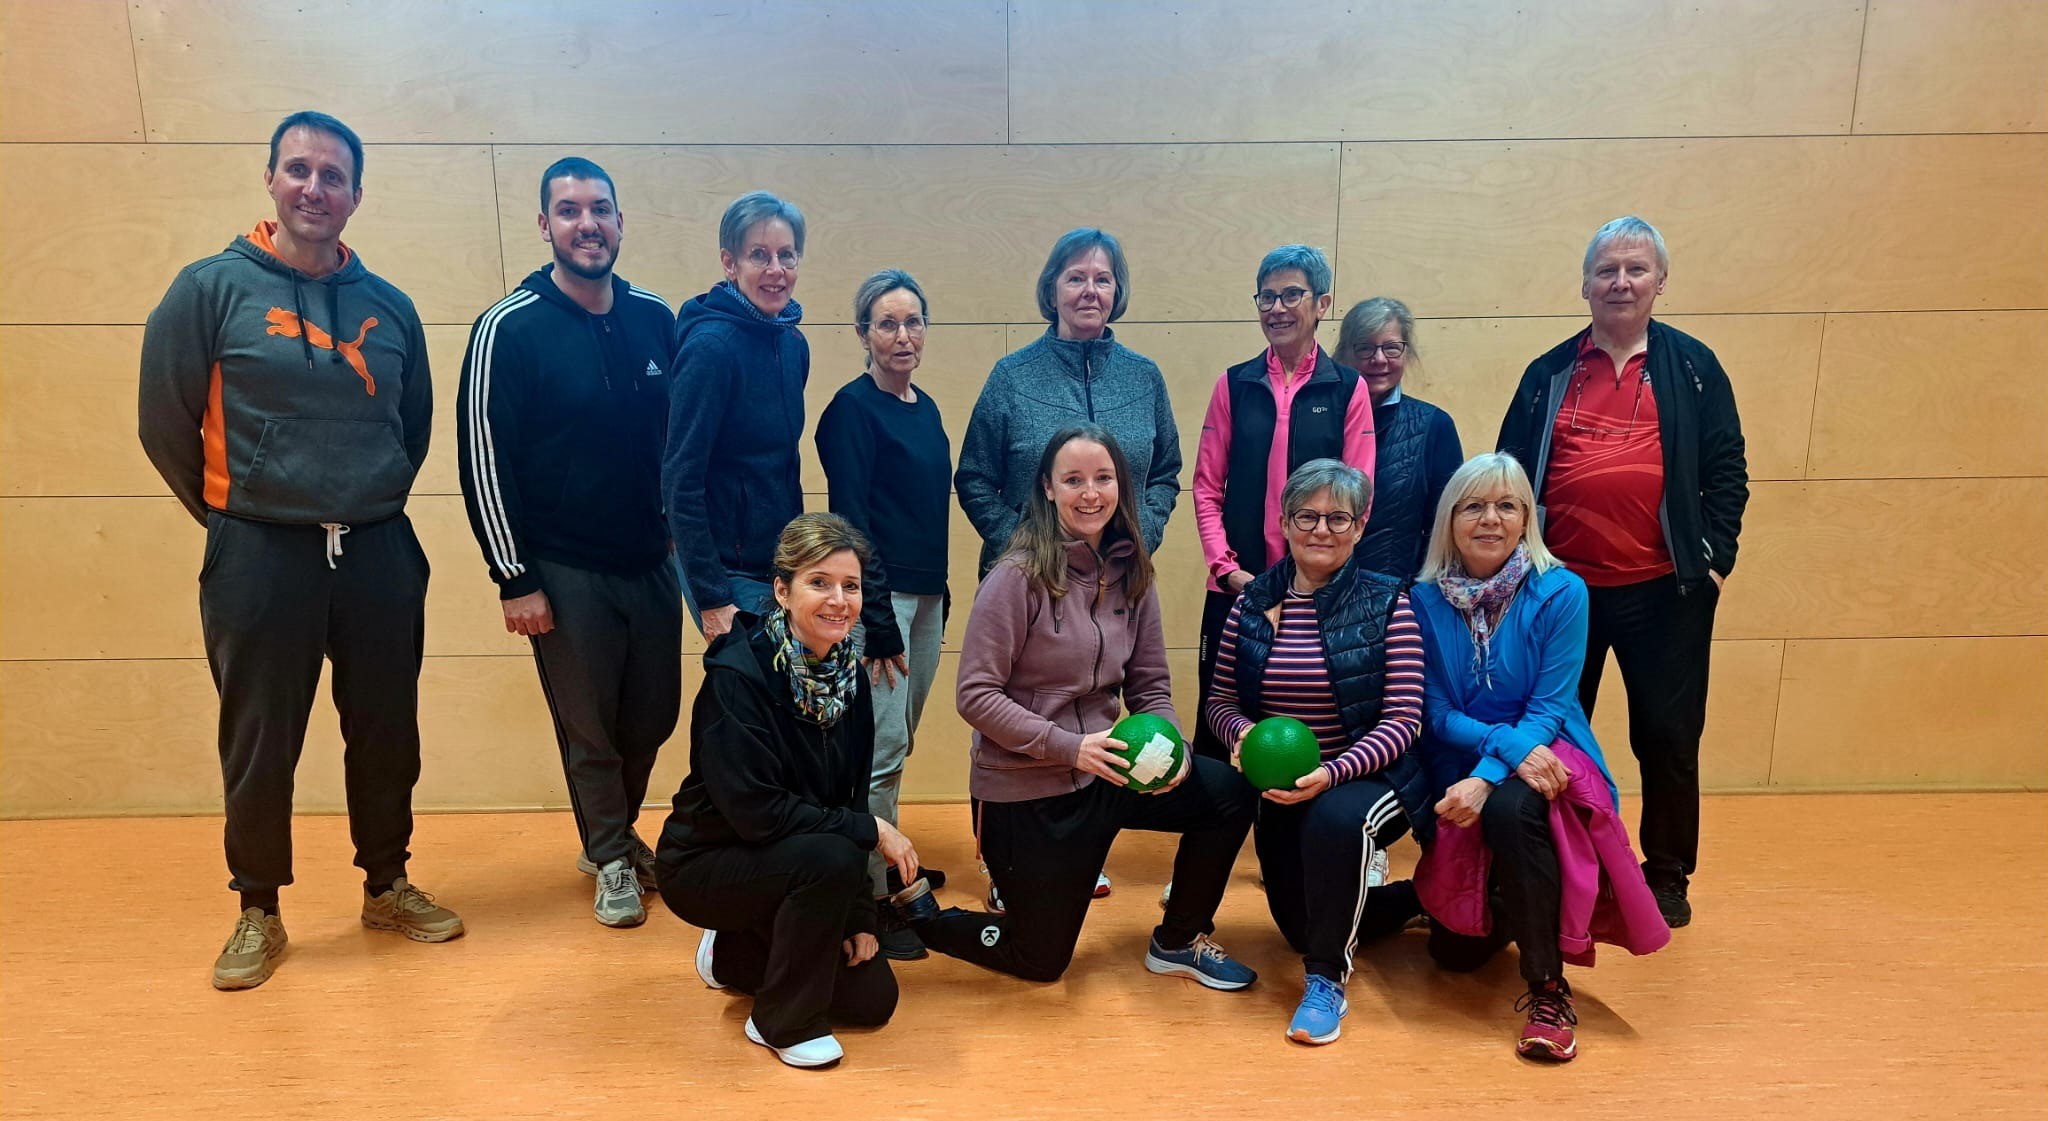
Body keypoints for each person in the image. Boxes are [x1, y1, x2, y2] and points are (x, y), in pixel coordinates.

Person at [139, 110, 461, 991]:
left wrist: (363, 491)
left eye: (334, 175)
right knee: (260, 738)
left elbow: (414, 426)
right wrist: (239, 513)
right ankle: (259, 907)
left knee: (388, 728)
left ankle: (387, 883)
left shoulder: (388, 308)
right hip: (258, 553)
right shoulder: (208, 289)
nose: (315, 188)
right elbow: (163, 422)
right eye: (299, 170)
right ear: (271, 179)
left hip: (378, 549)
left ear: (357, 194)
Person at [890, 426, 1258, 992]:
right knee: (1039, 960)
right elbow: (976, 695)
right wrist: (1069, 747)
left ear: (1120, 486)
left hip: (1106, 771)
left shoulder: (1133, 572)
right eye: (1074, 479)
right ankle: (918, 917)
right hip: (1026, 791)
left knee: (1227, 794)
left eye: (1103, 478)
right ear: (1047, 488)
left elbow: (1152, 684)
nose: (1091, 493)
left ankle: (1179, 940)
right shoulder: (1014, 577)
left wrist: (1172, 750)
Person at [1495, 216, 1748, 927]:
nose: (1621, 281)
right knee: (1548, 735)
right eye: (1607, 269)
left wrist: (1714, 559)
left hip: (1664, 591)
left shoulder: (1694, 367)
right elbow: (1508, 473)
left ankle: (1666, 875)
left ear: (1660, 283)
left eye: (1636, 269)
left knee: (1667, 738)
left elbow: (1728, 470)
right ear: (1584, 284)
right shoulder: (1548, 373)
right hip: (1560, 593)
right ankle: (1546, 867)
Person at [457, 157, 680, 928]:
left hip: (651, 561)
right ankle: (613, 855)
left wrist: (681, 534)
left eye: (601, 208)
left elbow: (676, 441)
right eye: (569, 209)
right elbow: (484, 457)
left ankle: (608, 832)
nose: (588, 222)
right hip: (562, 567)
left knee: (651, 716)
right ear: (544, 225)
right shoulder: (507, 328)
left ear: (620, 221)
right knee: (589, 724)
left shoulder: (656, 318)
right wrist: (513, 575)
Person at [1410, 453, 1669, 1062]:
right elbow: (1438, 711)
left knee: (1507, 812)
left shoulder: (1562, 591)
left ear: (1527, 516)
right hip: (1467, 755)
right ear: (1450, 518)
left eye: (1507, 505)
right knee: (1454, 957)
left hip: (1552, 750)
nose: (1491, 519)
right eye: (1474, 505)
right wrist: (1493, 762)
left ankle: (1548, 987)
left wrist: (1491, 779)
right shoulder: (1422, 601)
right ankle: (1456, 901)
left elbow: (1550, 708)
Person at [955, 227, 1182, 899]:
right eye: (1076, 277)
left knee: (1096, 701)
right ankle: (1006, 857)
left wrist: (1142, 535)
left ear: (1118, 292)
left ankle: (1079, 838)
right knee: (1017, 703)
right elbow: (974, 476)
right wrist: (1024, 554)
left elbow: (1165, 471)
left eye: (1103, 278)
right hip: (1031, 581)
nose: (1090, 289)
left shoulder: (1144, 378)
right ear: (1051, 287)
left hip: (1113, 574)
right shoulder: (1012, 376)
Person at [653, 514, 920, 1070]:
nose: (839, 600)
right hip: (709, 861)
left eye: (851, 586)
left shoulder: (848, 676)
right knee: (829, 851)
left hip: (793, 852)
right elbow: (757, 814)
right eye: (819, 583)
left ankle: (732, 955)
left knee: (871, 1001)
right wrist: (872, 831)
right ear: (782, 590)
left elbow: (847, 802)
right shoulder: (737, 675)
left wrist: (859, 920)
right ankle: (780, 1022)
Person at [1204, 459, 1435, 1046]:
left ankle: (1325, 984)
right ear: (1284, 522)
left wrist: (1330, 773)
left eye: (1339, 518)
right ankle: (1417, 897)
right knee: (1300, 927)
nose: (1322, 529)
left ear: (1360, 527)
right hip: (1281, 783)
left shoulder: (1389, 602)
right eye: (1307, 515)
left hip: (1372, 778)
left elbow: (1404, 720)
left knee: (1335, 824)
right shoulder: (1252, 603)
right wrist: (1245, 742)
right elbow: (1222, 701)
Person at [1190, 244, 1375, 764]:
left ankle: (1308, 831)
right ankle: (1215, 832)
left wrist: (1319, 575)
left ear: (1322, 304)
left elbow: (1360, 494)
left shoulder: (1347, 387)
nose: (1277, 308)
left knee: (1316, 720)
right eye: (1267, 297)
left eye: (1291, 294)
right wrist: (1226, 570)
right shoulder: (1234, 384)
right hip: (1236, 584)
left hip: (1318, 589)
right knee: (1220, 717)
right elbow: (1206, 488)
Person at [815, 268, 952, 959]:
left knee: (898, 746)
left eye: (913, 321)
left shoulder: (924, 408)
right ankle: (875, 896)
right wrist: (876, 618)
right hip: (883, 604)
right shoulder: (850, 410)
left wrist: (940, 596)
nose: (903, 335)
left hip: (927, 597)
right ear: (863, 333)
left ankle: (884, 865)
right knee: (879, 755)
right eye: (887, 323)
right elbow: (853, 521)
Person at [663, 190, 810, 638]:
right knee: (752, 698)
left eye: (787, 256)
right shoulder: (710, 350)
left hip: (778, 564)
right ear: (730, 263)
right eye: (759, 255)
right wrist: (712, 598)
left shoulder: (792, 343)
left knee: (787, 701)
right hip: (726, 569)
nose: (775, 271)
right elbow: (680, 480)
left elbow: (783, 462)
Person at [1336, 297, 1463, 581]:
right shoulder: (1320, 419)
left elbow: (1443, 528)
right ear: (1344, 353)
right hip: (1316, 592)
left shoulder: (1435, 426)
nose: (1379, 359)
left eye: (1392, 348)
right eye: (1365, 347)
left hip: (1396, 597)